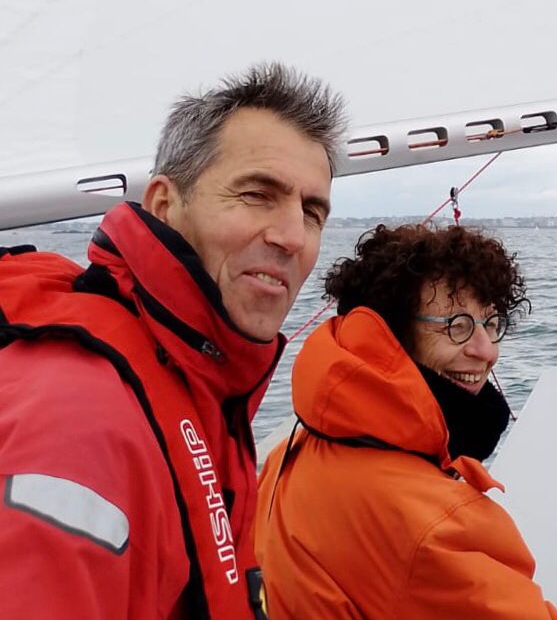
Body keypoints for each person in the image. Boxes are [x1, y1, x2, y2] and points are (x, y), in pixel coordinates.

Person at [0, 63, 346, 619]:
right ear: (164, 205)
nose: (292, 237)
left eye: (312, 212)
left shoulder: (203, 383)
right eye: (257, 194)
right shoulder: (80, 421)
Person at [255, 223, 557, 619]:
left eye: (491, 324)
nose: (487, 351)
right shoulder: (429, 527)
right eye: (457, 327)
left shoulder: (291, 453)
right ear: (393, 334)